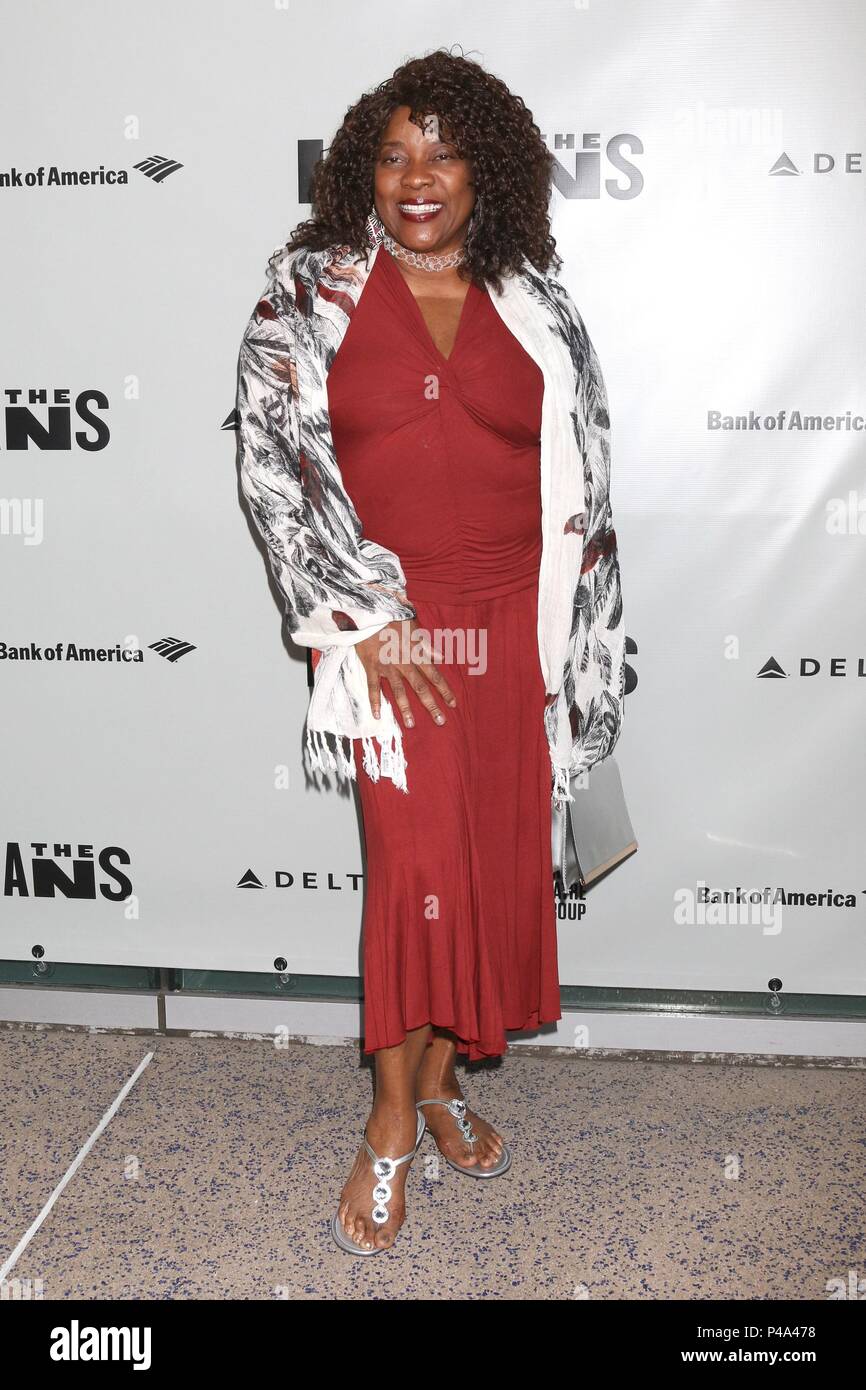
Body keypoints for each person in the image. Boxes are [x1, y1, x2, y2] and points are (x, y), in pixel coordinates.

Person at [236, 48, 626, 1255]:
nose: (418, 176)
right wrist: (363, 616)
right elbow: (274, 472)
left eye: (444, 151)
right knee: (415, 878)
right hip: (391, 634)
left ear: (484, 169)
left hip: (515, 629)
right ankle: (390, 1124)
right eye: (396, 151)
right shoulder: (307, 291)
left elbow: (588, 488)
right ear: (365, 164)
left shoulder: (538, 301)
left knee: (492, 871)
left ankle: (446, 1079)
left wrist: (582, 654)